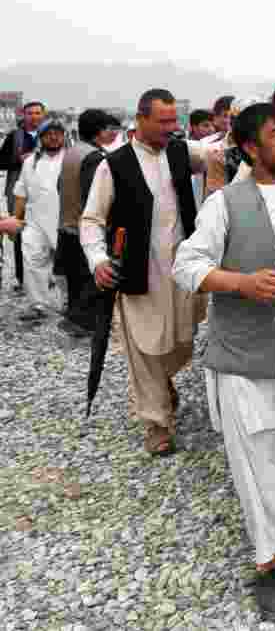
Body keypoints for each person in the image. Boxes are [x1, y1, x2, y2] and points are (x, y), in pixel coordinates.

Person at [172, 103, 275, 621]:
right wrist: (238, 283)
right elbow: (186, 264)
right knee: (255, 464)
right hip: (243, 356)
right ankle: (270, 560)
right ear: (249, 147)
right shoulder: (225, 204)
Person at [80, 89, 218, 456]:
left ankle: (163, 380)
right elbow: (92, 219)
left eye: (175, 121)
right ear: (140, 119)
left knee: (181, 341)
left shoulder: (181, 151)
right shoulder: (113, 164)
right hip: (139, 272)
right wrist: (98, 259)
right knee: (142, 346)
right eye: (164, 122)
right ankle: (156, 423)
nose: (172, 129)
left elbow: (220, 156)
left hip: (182, 269)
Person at [56, 109, 119, 335]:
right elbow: (94, 197)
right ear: (100, 131)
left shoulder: (72, 152)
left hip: (67, 224)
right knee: (87, 278)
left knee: (74, 277)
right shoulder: (95, 158)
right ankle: (83, 323)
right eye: (108, 129)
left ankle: (74, 319)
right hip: (83, 227)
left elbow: (59, 186)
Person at [13, 119, 67, 320]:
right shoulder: (30, 162)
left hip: (64, 221)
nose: (53, 137)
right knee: (32, 261)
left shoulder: (71, 159)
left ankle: (69, 304)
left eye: (57, 133)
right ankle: (38, 305)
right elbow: (21, 193)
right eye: (48, 134)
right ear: (41, 138)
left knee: (65, 266)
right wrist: (16, 220)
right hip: (34, 221)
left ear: (63, 136)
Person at [1, 101, 47, 292]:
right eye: (30, 113)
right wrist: (17, 159)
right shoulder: (13, 136)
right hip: (18, 192)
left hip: (44, 193)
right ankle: (22, 278)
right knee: (20, 233)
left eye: (37, 113)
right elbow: (1, 161)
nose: (34, 116)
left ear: (43, 115)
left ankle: (46, 277)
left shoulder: (54, 135)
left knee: (45, 233)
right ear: (23, 115)